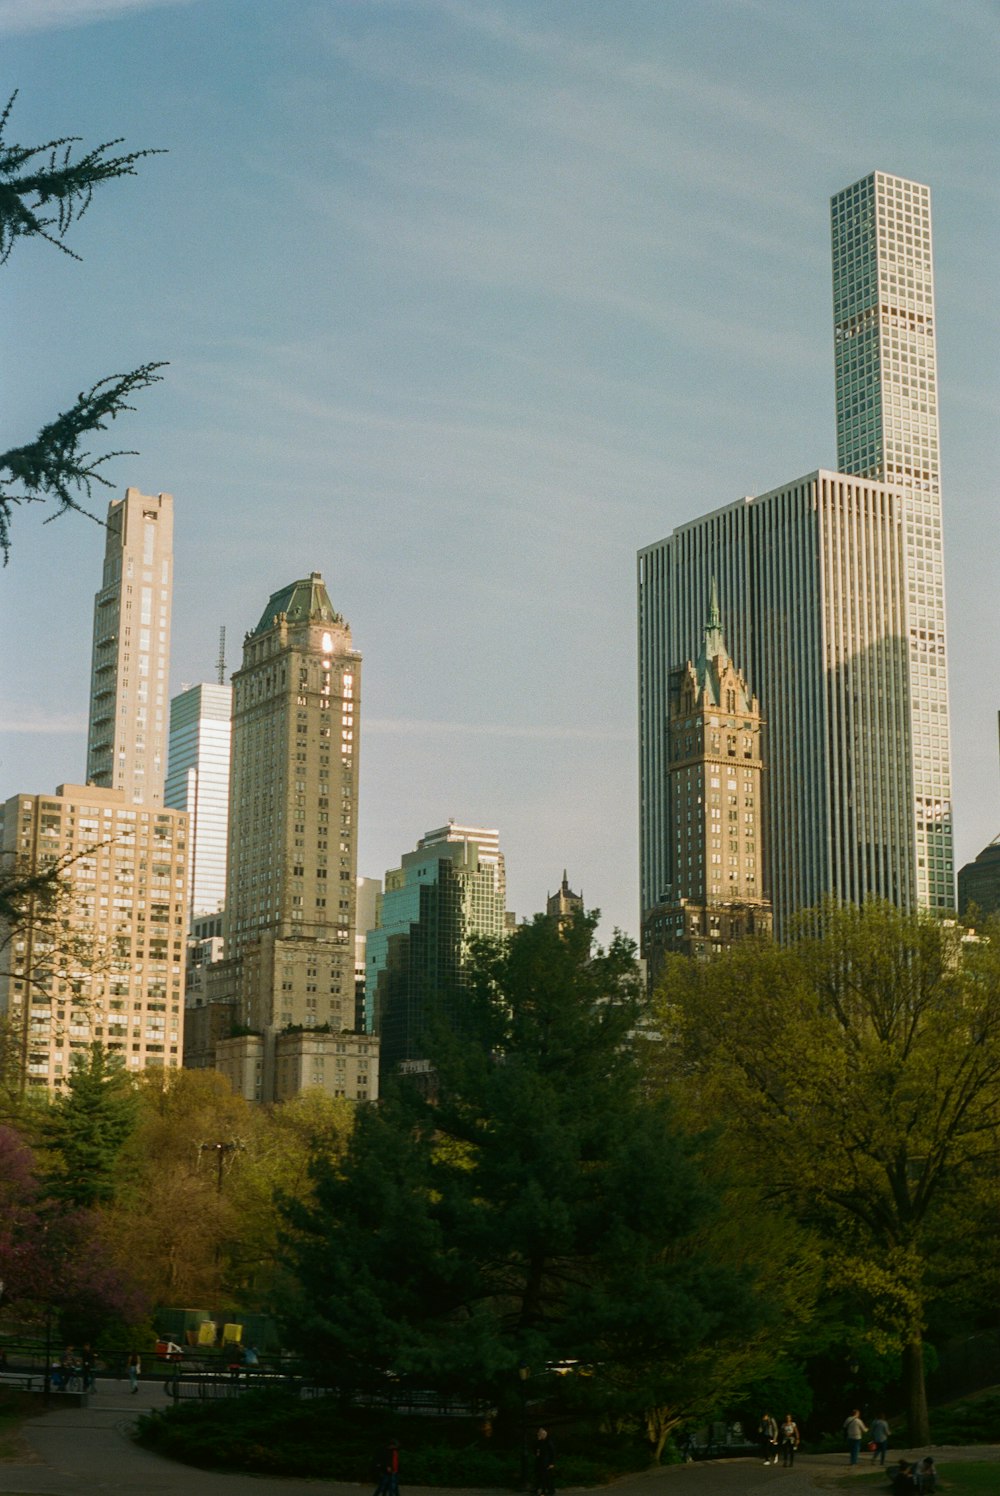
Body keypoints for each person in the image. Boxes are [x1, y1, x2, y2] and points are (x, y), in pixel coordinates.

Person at [533, 1428, 556, 1496]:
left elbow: (553, 1453)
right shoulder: (540, 1442)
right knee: (540, 1477)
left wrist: (552, 1463)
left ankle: (547, 1491)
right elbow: (536, 1450)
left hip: (546, 1463)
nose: (538, 1435)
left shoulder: (549, 1442)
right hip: (540, 1462)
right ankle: (539, 1490)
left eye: (540, 1434)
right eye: (538, 1434)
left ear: (544, 1434)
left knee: (546, 1477)